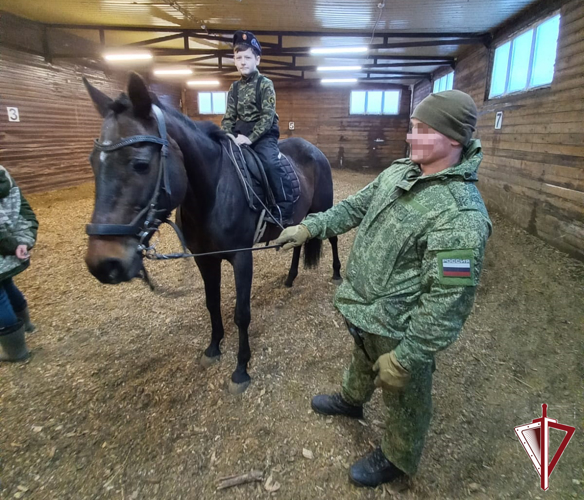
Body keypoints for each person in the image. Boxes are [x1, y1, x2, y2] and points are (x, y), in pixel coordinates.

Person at [275, 90, 492, 488]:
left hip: (400, 329)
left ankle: (397, 456)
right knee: (361, 358)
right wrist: (310, 227)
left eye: (423, 130)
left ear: (454, 139)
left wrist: (408, 358)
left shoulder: (461, 216)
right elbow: (354, 207)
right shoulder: (400, 172)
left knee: (406, 398)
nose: (410, 138)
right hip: (365, 310)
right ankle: (352, 401)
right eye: (412, 127)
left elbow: (448, 301)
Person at [221, 30, 294, 226]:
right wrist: (227, 135)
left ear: (257, 60)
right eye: (238, 57)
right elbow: (228, 117)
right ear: (234, 60)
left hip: (263, 134)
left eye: (247, 57)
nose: (243, 61)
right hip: (239, 134)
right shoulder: (234, 88)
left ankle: (284, 206)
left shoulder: (265, 84)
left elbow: (267, 116)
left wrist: (250, 138)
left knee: (270, 163)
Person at [0, 165, 39, 362]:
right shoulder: (3, 175)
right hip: (13, 247)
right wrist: (23, 240)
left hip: (5, 247)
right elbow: (24, 211)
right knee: (7, 284)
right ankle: (26, 324)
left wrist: (11, 244)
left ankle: (15, 351)